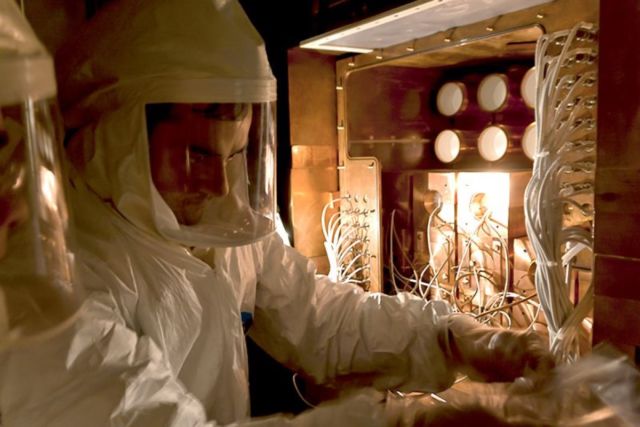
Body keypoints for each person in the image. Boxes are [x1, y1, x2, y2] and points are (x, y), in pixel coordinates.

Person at [1, 0, 552, 425]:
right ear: (115, 136)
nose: (218, 182)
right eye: (195, 154)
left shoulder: (215, 223)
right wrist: (407, 422)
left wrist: (455, 339)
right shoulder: (63, 276)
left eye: (235, 154)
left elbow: (321, 317)